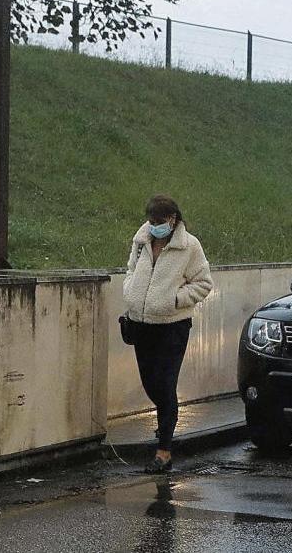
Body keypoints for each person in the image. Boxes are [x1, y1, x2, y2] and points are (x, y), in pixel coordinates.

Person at [123, 195, 215, 473]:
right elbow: (130, 270)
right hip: (141, 324)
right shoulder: (141, 240)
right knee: (150, 383)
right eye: (151, 221)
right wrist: (130, 292)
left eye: (159, 222)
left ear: (172, 219)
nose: (154, 226)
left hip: (172, 328)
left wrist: (175, 300)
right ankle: (165, 428)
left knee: (165, 385)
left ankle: (163, 449)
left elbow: (204, 284)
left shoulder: (190, 247)